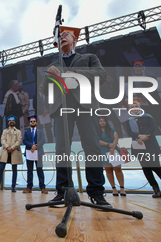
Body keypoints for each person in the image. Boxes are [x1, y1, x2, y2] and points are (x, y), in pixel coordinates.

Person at [42, 26, 111, 207]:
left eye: (67, 35)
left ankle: (96, 192)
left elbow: (101, 75)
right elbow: (44, 90)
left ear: (75, 40)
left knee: (92, 146)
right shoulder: (54, 64)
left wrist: (72, 74)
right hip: (60, 107)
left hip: (85, 105)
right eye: (60, 35)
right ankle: (63, 191)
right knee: (62, 149)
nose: (62, 37)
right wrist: (51, 77)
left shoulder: (89, 58)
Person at [126, 102, 161, 198]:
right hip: (138, 146)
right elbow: (130, 132)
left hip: (150, 145)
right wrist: (138, 136)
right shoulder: (129, 121)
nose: (134, 108)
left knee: (156, 166)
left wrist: (143, 136)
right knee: (146, 169)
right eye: (132, 107)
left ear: (140, 108)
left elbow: (153, 127)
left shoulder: (148, 117)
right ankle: (156, 190)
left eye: (136, 106)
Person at [129, 60, 161, 135]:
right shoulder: (134, 78)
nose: (138, 69)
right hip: (144, 103)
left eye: (140, 67)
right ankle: (159, 136)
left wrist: (146, 94)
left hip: (154, 101)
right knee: (150, 121)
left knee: (158, 120)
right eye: (136, 67)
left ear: (143, 67)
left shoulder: (149, 75)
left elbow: (154, 86)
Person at [0, 115, 23, 192]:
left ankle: (13, 187)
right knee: (1, 169)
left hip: (14, 151)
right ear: (8, 122)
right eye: (10, 120)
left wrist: (12, 148)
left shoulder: (18, 131)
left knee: (14, 169)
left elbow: (19, 141)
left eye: (13, 120)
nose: (11, 121)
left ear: (15, 122)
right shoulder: (4, 131)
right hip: (5, 151)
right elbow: (2, 140)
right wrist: (8, 147)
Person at [98, 117, 126, 196]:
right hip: (103, 151)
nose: (102, 122)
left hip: (113, 151)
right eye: (100, 121)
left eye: (104, 121)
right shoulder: (97, 132)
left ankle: (122, 189)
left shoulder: (112, 130)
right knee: (108, 170)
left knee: (118, 169)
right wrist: (108, 144)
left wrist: (113, 147)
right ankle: (114, 189)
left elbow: (116, 138)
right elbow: (97, 141)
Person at [22, 115, 48, 194]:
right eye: (31, 121)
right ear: (29, 123)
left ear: (36, 122)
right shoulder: (26, 132)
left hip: (38, 152)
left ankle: (42, 187)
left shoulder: (41, 131)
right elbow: (24, 141)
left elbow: (43, 140)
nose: (32, 122)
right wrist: (31, 146)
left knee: (39, 170)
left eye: (34, 121)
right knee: (29, 170)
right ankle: (29, 187)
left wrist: (36, 147)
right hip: (29, 152)